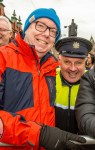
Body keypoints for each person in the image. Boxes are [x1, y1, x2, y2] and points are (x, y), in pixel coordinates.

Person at [0, 8, 86, 150]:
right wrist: (39, 134)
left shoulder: (50, 67)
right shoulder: (3, 58)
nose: (46, 34)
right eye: (40, 25)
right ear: (26, 28)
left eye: (53, 32)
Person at [54, 36, 92, 135]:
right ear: (59, 61)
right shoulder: (49, 78)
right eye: (67, 62)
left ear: (86, 63)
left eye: (79, 63)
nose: (73, 68)